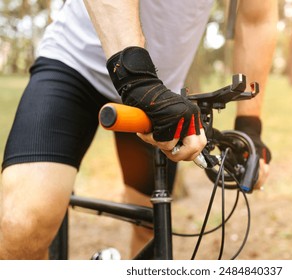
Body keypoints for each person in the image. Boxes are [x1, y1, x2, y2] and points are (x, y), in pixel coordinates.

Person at [0, 0, 277, 259]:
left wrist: (249, 126)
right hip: (74, 64)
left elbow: (256, 18)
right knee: (21, 225)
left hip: (160, 92)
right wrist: (136, 78)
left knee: (149, 231)